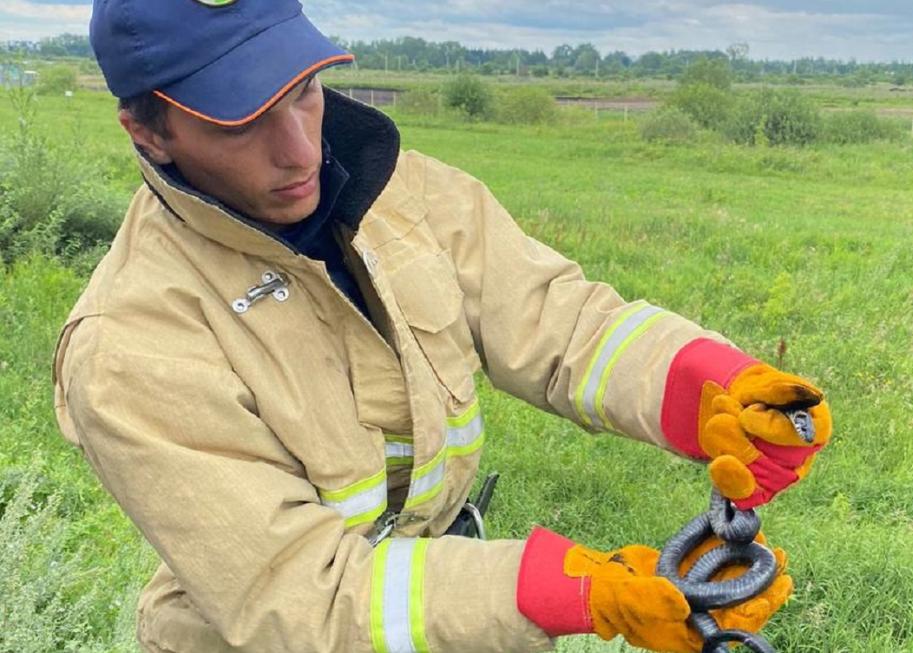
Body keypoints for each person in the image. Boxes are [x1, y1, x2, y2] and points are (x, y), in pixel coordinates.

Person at [53, 2, 833, 652]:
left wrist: (705, 382)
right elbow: (301, 595)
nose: (299, 149)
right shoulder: (129, 345)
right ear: (149, 131)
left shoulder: (404, 192)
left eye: (301, 91)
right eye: (240, 120)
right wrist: (558, 589)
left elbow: (558, 320)